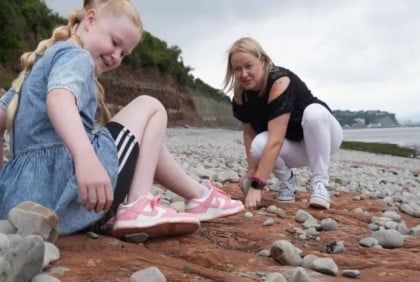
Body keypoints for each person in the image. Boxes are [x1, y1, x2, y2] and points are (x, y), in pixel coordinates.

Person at [0, 0, 244, 238]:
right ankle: (139, 205)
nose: (116, 56)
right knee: (152, 107)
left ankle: (200, 196)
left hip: (22, 202)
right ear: (90, 19)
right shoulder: (76, 55)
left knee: (145, 139)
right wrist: (85, 157)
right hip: (69, 191)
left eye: (124, 53)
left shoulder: (41, 61)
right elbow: (60, 99)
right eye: (115, 42)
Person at [223, 37, 343, 210]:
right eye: (237, 69)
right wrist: (252, 170)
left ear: (262, 61)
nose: (243, 74)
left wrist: (257, 185)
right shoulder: (241, 94)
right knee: (258, 145)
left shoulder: (279, 81)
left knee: (313, 113)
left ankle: (321, 185)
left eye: (248, 66)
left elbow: (276, 141)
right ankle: (287, 181)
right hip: (297, 147)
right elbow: (248, 132)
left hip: (325, 137)